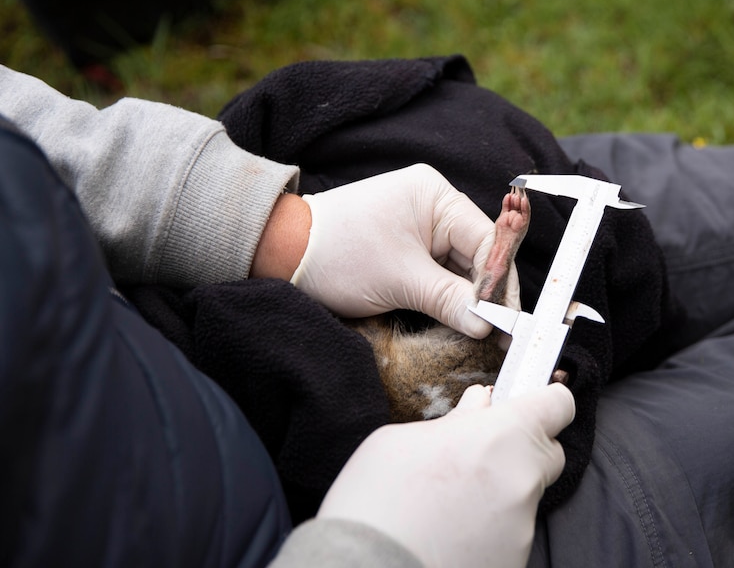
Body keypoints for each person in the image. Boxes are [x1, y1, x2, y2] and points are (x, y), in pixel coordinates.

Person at [0, 64, 575, 568]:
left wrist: (277, 228)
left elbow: (30, 136)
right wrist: (378, 550)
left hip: (169, 345)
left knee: (614, 187)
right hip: (304, 506)